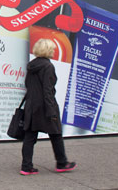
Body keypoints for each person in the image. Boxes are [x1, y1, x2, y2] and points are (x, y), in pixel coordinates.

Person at [20, 38, 76, 175]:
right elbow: (48, 90)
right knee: (56, 134)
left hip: (32, 106)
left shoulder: (31, 65)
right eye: (52, 49)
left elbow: (28, 85)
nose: (54, 51)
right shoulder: (48, 67)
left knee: (29, 137)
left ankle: (26, 167)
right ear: (48, 50)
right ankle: (62, 163)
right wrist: (52, 112)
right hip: (45, 106)